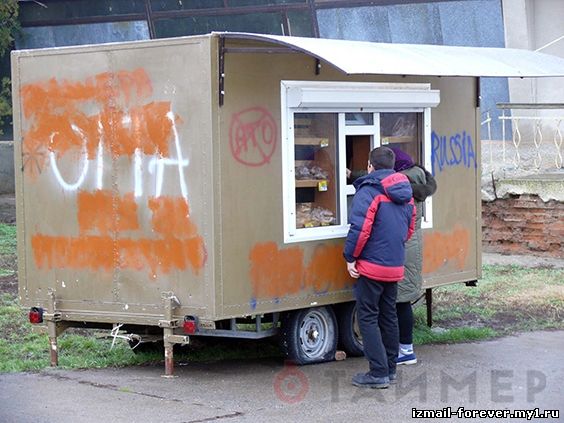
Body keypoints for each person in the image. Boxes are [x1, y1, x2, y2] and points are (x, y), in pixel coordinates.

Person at [343, 146, 416, 389]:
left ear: (370, 165)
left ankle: (378, 372)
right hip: (394, 264)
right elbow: (409, 228)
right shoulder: (406, 191)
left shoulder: (370, 189)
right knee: (389, 316)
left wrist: (350, 257)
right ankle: (391, 369)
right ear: (393, 166)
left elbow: (360, 228)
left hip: (372, 266)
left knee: (367, 317)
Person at [390, 147, 437, 366]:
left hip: (403, 247)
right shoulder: (418, 180)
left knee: (399, 303)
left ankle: (406, 351)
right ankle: (404, 348)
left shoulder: (402, 186)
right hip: (412, 246)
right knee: (402, 301)